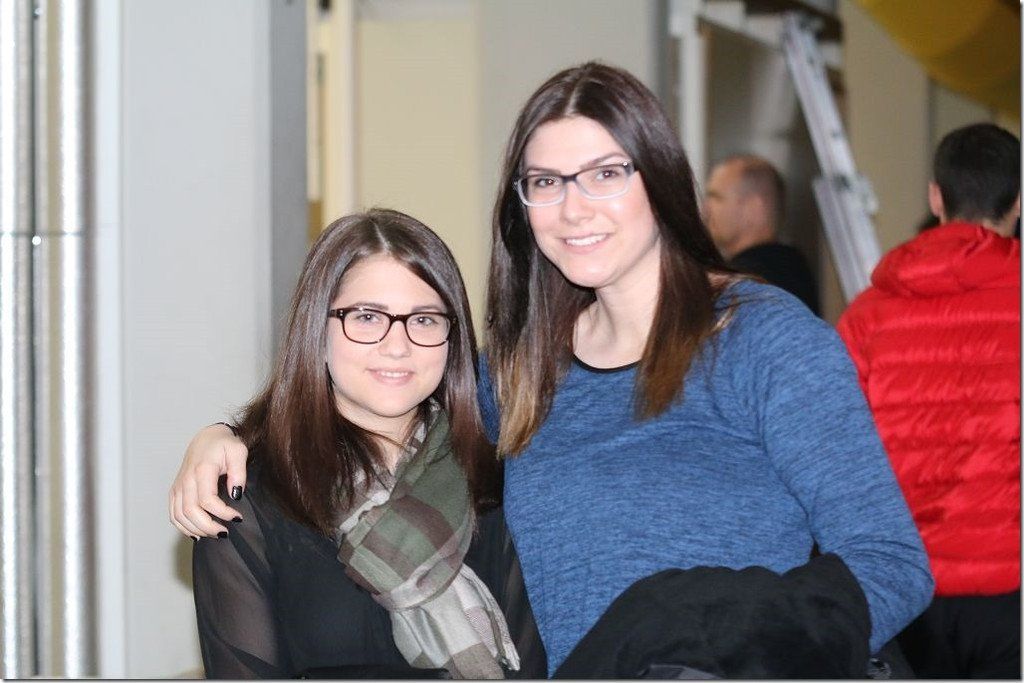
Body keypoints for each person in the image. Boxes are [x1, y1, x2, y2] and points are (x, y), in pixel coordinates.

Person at [171, 63, 933, 677]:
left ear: (660, 179)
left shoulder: (762, 339)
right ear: (523, 206)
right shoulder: (523, 370)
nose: (574, 208)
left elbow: (893, 562)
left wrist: (737, 649)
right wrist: (226, 436)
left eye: (605, 173)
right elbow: (395, 394)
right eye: (546, 182)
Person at [186, 209, 528, 679]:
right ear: (317, 327)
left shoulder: (500, 480)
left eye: (424, 319)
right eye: (367, 317)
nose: (398, 345)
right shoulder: (249, 502)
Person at [837, 123, 1021, 679]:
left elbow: (836, 455)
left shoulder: (867, 315)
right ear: (1019, 200)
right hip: (1011, 585)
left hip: (905, 590)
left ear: (936, 196)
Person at [703, 154, 820, 314]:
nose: (706, 209)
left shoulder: (749, 284)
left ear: (753, 208)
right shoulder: (794, 269)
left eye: (716, 198)